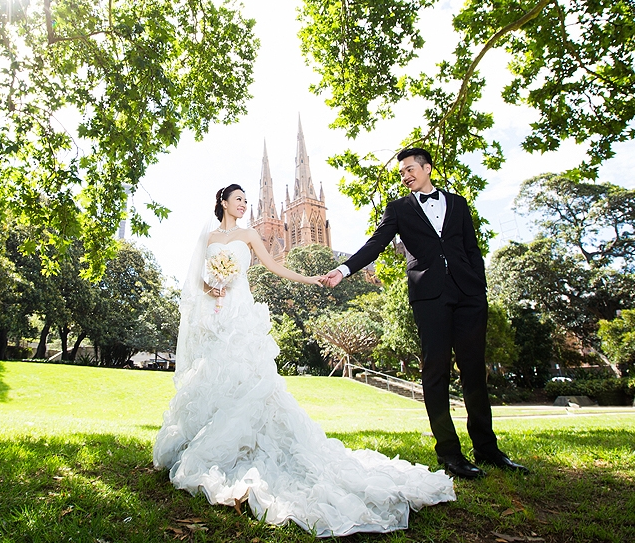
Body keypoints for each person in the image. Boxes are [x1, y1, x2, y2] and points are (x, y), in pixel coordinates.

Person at [153, 183, 455, 537]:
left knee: (250, 376)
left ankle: (242, 442)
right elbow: (197, 279)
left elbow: (273, 267)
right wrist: (212, 288)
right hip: (217, 316)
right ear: (223, 202)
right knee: (217, 375)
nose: (244, 205)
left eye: (247, 200)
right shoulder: (208, 238)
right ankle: (207, 439)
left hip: (242, 315)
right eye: (239, 200)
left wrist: (309, 278)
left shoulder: (250, 234)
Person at [321, 148, 529, 479]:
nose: (405, 176)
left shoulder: (458, 204)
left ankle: (487, 449)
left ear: (427, 168)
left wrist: (480, 287)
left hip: (469, 294)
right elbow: (376, 244)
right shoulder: (398, 209)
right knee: (436, 371)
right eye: (401, 173)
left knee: (474, 371)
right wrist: (344, 270)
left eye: (409, 169)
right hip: (430, 297)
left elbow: (472, 248)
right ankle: (450, 453)